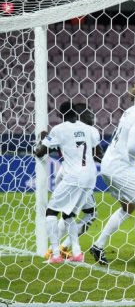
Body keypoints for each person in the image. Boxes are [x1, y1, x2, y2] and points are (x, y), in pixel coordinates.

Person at [90, 76, 135, 265]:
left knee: (128, 207)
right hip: (120, 168)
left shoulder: (131, 111)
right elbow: (132, 147)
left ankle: (98, 245)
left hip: (110, 164)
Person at [34, 101, 101, 263]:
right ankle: (77, 253)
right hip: (90, 176)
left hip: (71, 175)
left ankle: (55, 254)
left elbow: (40, 153)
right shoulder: (88, 129)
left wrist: (41, 140)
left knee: (50, 212)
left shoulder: (58, 129)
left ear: (59, 115)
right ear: (76, 113)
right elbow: (98, 153)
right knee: (69, 215)